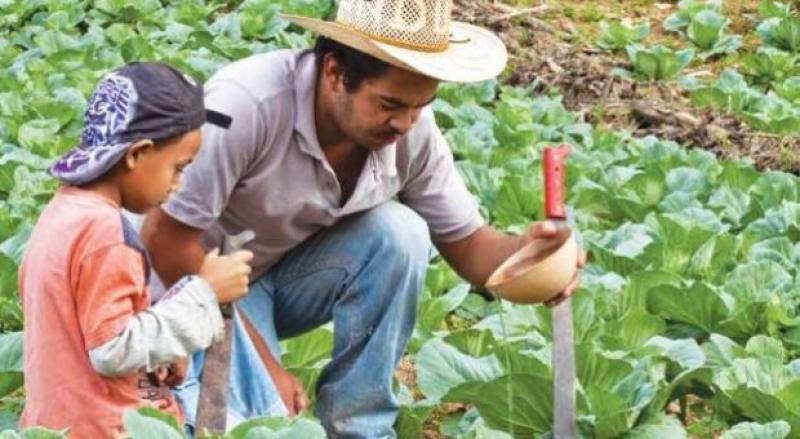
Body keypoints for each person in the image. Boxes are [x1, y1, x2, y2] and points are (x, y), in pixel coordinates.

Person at [141, 0, 585, 437]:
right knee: (258, 422)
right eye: (390, 104)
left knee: (400, 234)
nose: (404, 123)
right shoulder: (246, 105)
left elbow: (469, 244)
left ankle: (360, 429)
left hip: (275, 276)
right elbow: (163, 239)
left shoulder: (411, 130)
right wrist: (264, 363)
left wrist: (532, 257)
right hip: (185, 283)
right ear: (335, 73)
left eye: (420, 105)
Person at [18, 62, 254, 438]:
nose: (178, 185)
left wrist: (158, 353)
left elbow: (86, 327)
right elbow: (112, 349)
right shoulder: (105, 233)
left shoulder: (64, 212)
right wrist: (206, 295)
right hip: (110, 428)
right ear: (136, 154)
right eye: (178, 168)